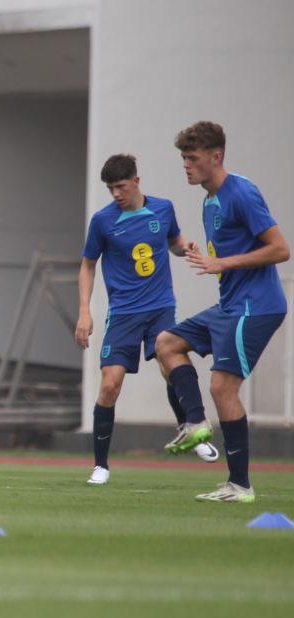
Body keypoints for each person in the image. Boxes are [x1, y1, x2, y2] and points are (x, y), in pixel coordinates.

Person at [155, 121, 289, 502]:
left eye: (192, 158)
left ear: (216, 157)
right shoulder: (209, 199)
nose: (186, 165)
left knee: (222, 386)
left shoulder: (241, 192)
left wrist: (223, 263)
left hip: (256, 307)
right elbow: (227, 253)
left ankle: (240, 485)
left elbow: (280, 249)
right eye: (183, 158)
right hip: (230, 304)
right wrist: (206, 257)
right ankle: (195, 423)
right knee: (166, 343)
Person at [76, 154, 217, 485]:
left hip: (160, 306)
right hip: (123, 312)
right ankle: (100, 465)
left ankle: (192, 429)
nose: (115, 194)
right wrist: (85, 311)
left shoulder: (163, 209)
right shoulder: (102, 221)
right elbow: (87, 264)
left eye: (121, 186)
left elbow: (173, 242)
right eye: (110, 188)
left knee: (171, 367)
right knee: (110, 384)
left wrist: (186, 248)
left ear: (136, 182)